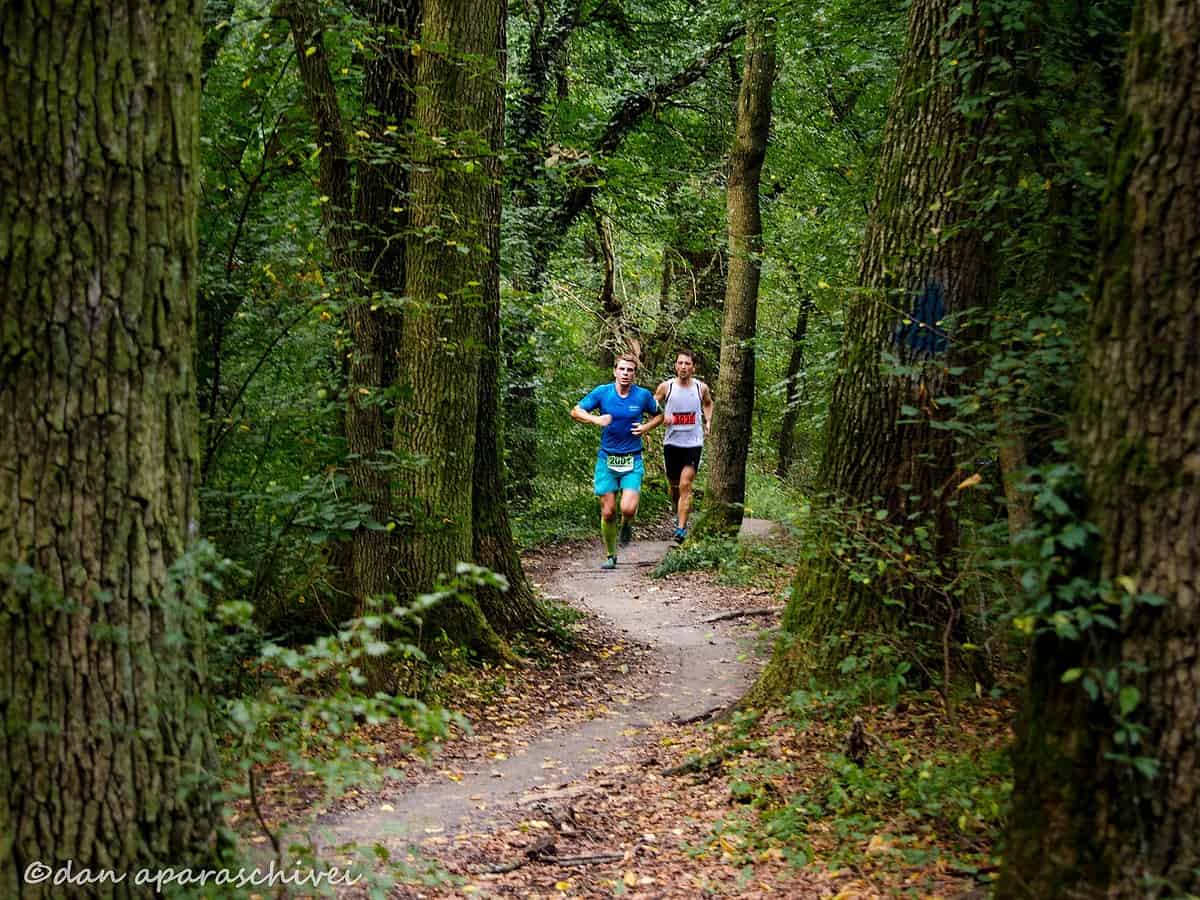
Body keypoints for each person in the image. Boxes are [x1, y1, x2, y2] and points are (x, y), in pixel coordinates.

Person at [571, 354, 660, 569]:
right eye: (622, 369)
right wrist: (595, 419)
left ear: (634, 374)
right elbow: (575, 411)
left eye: (630, 370)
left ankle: (627, 524)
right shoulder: (603, 393)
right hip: (607, 460)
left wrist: (645, 428)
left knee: (628, 508)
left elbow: (660, 415)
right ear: (615, 371)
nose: (625, 374)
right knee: (609, 511)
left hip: (632, 459)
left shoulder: (642, 396)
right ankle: (611, 555)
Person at [652, 350, 713, 542]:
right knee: (674, 486)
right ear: (675, 366)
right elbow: (652, 404)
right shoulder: (666, 387)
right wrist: (662, 415)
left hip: (693, 443)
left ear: (693, 367)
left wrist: (708, 421)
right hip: (672, 443)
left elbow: (709, 404)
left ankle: (680, 529)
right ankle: (677, 505)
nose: (684, 367)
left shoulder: (700, 388)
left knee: (686, 484)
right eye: (680, 363)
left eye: (687, 364)